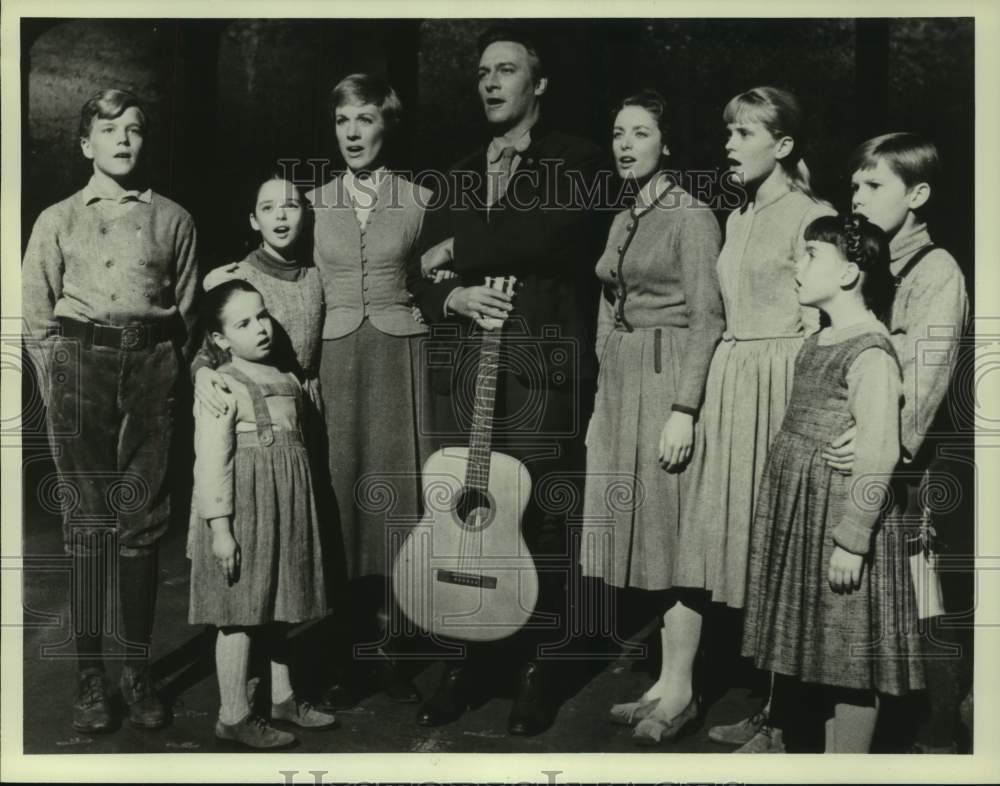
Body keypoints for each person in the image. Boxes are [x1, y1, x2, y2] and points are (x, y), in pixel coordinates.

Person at [410, 23, 607, 736]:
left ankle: (539, 671)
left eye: (507, 70)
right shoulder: (459, 170)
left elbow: (552, 237)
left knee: (543, 523)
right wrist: (450, 297)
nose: (491, 82)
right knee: (469, 519)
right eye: (484, 72)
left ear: (538, 84)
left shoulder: (577, 159)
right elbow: (416, 271)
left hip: (542, 373)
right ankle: (464, 660)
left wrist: (459, 247)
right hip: (466, 374)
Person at [662, 86, 835, 749]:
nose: (728, 144)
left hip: (781, 388)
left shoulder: (814, 217)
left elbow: (825, 329)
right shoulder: (735, 218)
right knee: (719, 540)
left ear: (783, 145)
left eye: (743, 133)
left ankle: (783, 719)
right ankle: (717, 698)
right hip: (731, 388)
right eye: (727, 131)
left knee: (779, 549)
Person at [22, 88, 198, 734]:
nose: (124, 139)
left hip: (151, 371)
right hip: (80, 369)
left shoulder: (173, 219)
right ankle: (90, 680)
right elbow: (34, 312)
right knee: (89, 525)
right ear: (85, 143)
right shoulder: (59, 218)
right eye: (108, 128)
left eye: (135, 129)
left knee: (143, 521)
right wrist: (56, 380)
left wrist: (167, 373)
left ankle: (137, 671)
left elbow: (188, 312)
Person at [741, 213, 924, 753]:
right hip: (804, 509)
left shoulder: (869, 350)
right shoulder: (822, 338)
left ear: (849, 274)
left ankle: (845, 763)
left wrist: (853, 536)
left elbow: (881, 449)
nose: (797, 266)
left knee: (847, 653)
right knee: (817, 645)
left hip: (840, 515)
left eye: (811, 256)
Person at [577, 90, 724, 740]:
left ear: (667, 144)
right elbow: (610, 304)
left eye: (640, 132)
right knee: (648, 544)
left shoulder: (691, 216)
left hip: (669, 383)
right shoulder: (625, 214)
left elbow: (708, 317)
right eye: (617, 132)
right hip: (625, 384)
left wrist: (685, 409)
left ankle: (684, 691)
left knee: (675, 539)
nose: (625, 144)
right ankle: (664, 684)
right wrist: (604, 393)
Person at [824, 133, 970, 752]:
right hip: (862, 455)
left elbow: (925, 379)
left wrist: (881, 440)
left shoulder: (936, 272)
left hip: (914, 472)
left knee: (920, 598)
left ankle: (938, 736)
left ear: (919, 194)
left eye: (874, 186)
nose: (856, 198)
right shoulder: (872, 262)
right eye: (854, 185)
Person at [305, 74, 432, 707]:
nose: (352, 133)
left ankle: (396, 647)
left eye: (364, 120)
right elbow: (288, 271)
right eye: (342, 122)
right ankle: (342, 645)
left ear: (387, 124)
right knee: (339, 491)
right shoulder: (311, 201)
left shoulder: (420, 199)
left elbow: (438, 277)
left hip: (398, 353)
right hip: (332, 356)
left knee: (396, 493)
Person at [188, 279, 336, 749]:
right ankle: (232, 714)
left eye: (262, 316)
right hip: (244, 509)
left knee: (280, 606)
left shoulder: (287, 378)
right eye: (243, 323)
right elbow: (211, 461)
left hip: (285, 504)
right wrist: (220, 530)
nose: (260, 328)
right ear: (219, 339)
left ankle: (282, 698)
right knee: (239, 611)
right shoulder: (221, 384)